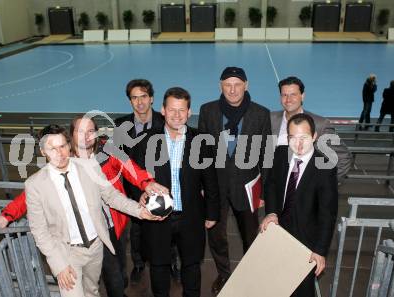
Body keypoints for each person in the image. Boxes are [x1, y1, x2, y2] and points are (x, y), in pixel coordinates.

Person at [0, 116, 168, 297]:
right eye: (80, 132)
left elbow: (128, 171)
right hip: (72, 245)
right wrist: (7, 215)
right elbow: (31, 196)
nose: (86, 136)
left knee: (113, 278)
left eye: (91, 131)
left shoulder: (107, 150)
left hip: (111, 228)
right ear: (71, 136)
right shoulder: (59, 164)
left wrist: (146, 184)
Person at [131, 87, 219, 297]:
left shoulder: (201, 140)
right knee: (159, 266)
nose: (177, 115)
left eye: (182, 110)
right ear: (163, 110)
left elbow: (210, 180)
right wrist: (139, 195)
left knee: (191, 266)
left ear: (189, 113)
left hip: (191, 216)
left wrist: (212, 213)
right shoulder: (145, 140)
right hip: (156, 217)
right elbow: (134, 177)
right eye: (172, 110)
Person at [198, 67, 271, 295]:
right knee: (217, 237)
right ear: (220, 85)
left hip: (247, 187)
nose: (232, 89)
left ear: (246, 85)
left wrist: (265, 192)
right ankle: (224, 274)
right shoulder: (208, 111)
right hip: (215, 187)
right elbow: (202, 152)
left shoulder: (260, 113)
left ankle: (250, 274)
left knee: (251, 236)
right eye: (227, 84)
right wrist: (202, 185)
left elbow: (266, 156)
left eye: (237, 84)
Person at [261, 113, 338, 297]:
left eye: (304, 137)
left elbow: (328, 213)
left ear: (314, 137)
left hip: (306, 242)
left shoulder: (325, 166)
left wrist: (320, 251)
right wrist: (271, 212)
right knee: (274, 284)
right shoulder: (280, 154)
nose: (299, 144)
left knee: (301, 290)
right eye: (293, 138)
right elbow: (271, 184)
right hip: (278, 234)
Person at [115, 79, 180, 283]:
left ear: (151, 98)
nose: (140, 102)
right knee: (137, 231)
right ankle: (139, 264)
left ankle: (171, 262)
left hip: (162, 186)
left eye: (144, 96)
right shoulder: (121, 126)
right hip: (134, 189)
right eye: (135, 97)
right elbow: (119, 160)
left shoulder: (165, 122)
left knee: (167, 226)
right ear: (130, 101)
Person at [270, 76, 352, 181]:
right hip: (274, 189)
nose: (288, 99)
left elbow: (343, 159)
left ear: (302, 96)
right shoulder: (269, 119)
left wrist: (324, 186)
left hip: (303, 192)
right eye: (284, 95)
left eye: (293, 95)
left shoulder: (320, 125)